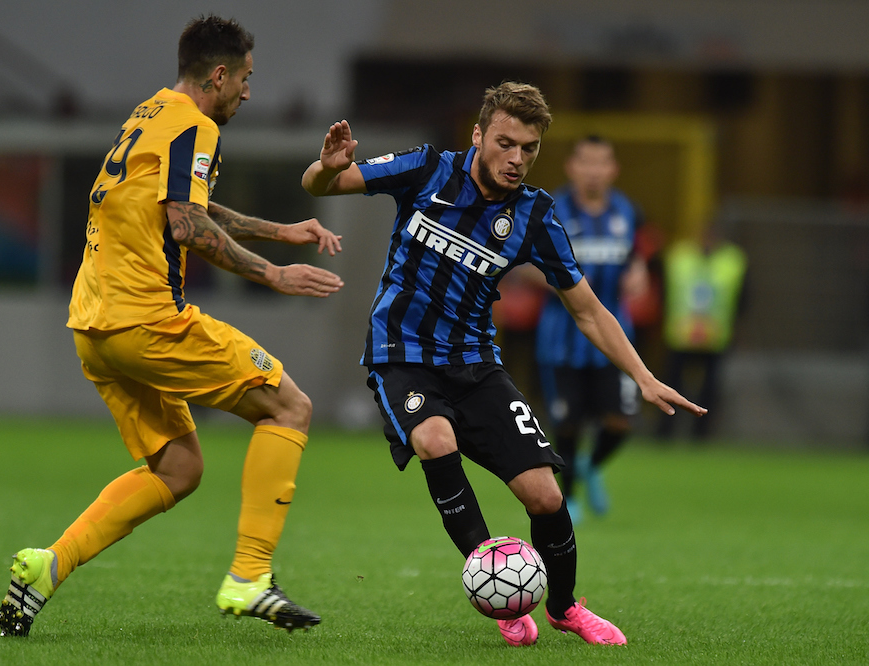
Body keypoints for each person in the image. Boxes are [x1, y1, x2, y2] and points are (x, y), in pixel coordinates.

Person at [302, 82, 705, 647]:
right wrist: (325, 168)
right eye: (506, 143)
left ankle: (564, 608)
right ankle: (504, 597)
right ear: (478, 135)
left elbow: (588, 310)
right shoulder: (427, 170)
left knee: (546, 496)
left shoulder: (535, 216)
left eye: (529, 148)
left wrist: (643, 376)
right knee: (435, 439)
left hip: (475, 364)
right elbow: (323, 184)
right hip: (402, 354)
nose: (516, 158)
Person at [0, 14, 342, 637]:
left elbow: (182, 205)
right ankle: (250, 577)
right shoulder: (196, 126)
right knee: (289, 407)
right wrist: (273, 273)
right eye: (245, 79)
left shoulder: (150, 113)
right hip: (146, 320)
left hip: (94, 327)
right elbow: (187, 225)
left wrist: (279, 230)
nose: (248, 92)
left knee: (179, 469)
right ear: (219, 74)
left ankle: (49, 566)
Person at [536, 136, 647, 524]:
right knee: (567, 424)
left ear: (613, 169)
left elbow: (636, 257)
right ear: (572, 167)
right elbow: (524, 265)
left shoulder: (628, 212)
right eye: (586, 162)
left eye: (602, 162)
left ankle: (591, 465)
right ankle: (570, 499)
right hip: (561, 341)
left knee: (620, 422)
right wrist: (558, 281)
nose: (594, 171)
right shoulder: (550, 209)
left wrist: (638, 273)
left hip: (614, 340)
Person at [656, 225, 747, 440]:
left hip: (715, 336)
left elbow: (743, 297)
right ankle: (665, 431)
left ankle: (701, 434)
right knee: (672, 384)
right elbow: (663, 290)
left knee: (709, 389)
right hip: (681, 334)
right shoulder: (680, 256)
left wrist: (736, 326)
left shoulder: (733, 260)